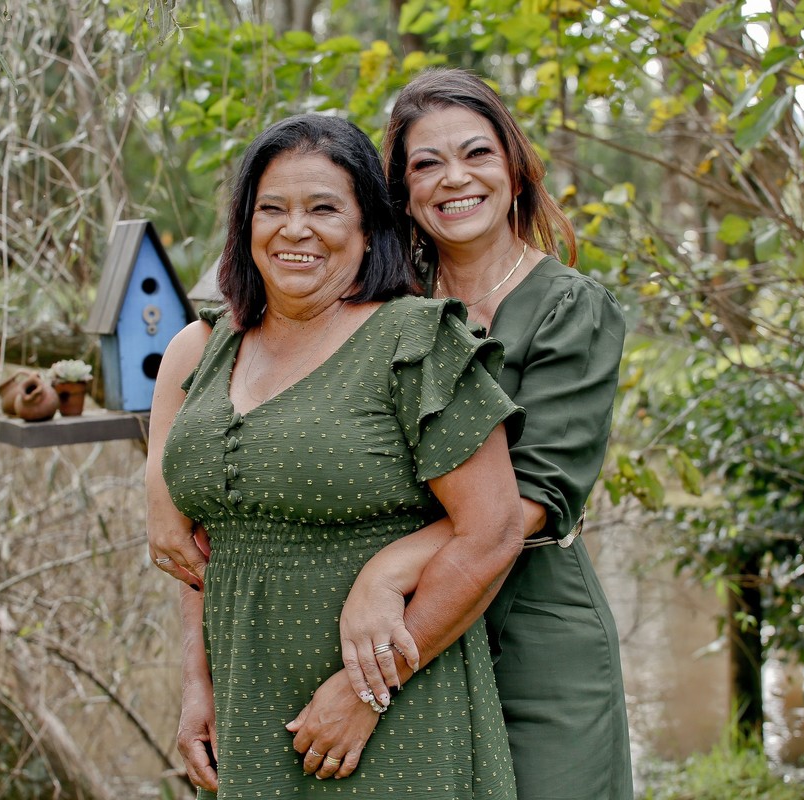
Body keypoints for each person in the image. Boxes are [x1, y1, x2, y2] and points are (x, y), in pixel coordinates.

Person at [145, 112, 528, 798]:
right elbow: (199, 551)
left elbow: (493, 532)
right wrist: (196, 684)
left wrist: (365, 691)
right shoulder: (199, 350)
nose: (295, 230)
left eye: (323, 208)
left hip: (396, 717)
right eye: (272, 209)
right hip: (247, 712)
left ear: (368, 227)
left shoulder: (416, 341)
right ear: (245, 224)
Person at [336, 69, 634, 800]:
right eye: (426, 164)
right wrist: (162, 481)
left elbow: (529, 501)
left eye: (477, 154)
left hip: (535, 631)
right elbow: (243, 329)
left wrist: (384, 573)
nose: (455, 179)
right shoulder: (384, 305)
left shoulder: (570, 308)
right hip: (405, 623)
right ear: (402, 191)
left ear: (515, 168)